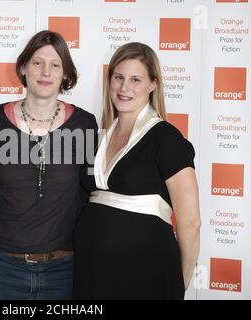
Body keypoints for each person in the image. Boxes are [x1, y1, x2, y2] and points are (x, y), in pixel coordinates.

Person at [74, 42, 201, 299]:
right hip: (92, 273)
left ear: (153, 84)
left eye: (135, 80)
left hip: (146, 275)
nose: (124, 88)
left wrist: (180, 282)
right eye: (119, 77)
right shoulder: (99, 137)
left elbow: (190, 221)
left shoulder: (166, 139)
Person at [0, 30, 98, 300]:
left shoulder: (84, 124)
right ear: (24, 67)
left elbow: (93, 193)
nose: (45, 71)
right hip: (2, 266)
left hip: (64, 268)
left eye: (55, 64)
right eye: (38, 62)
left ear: (65, 74)